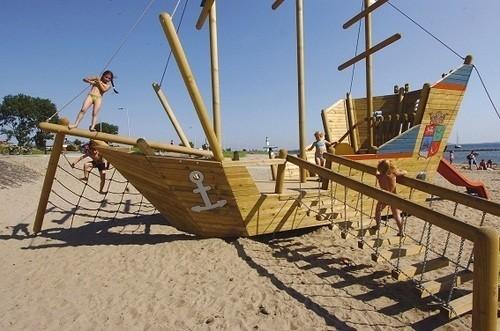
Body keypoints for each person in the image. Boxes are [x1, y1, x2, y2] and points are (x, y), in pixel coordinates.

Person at [374, 160, 406, 236]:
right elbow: (404, 172)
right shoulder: (394, 174)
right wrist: (401, 170)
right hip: (393, 197)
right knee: (396, 215)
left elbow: (376, 172)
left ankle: (378, 225)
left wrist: (378, 167)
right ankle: (401, 231)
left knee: (378, 211)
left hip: (384, 197)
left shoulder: (379, 176)